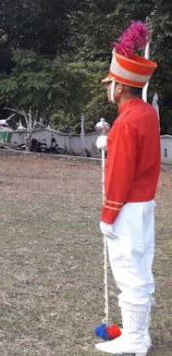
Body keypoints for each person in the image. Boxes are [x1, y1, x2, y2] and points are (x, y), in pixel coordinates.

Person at [94, 22, 159, 356]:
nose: (109, 89)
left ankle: (134, 338)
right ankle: (140, 334)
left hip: (128, 206)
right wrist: (112, 138)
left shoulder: (126, 122)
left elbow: (120, 174)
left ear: (120, 88)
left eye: (111, 84)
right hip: (145, 203)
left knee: (128, 271)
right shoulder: (146, 113)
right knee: (142, 268)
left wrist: (108, 215)